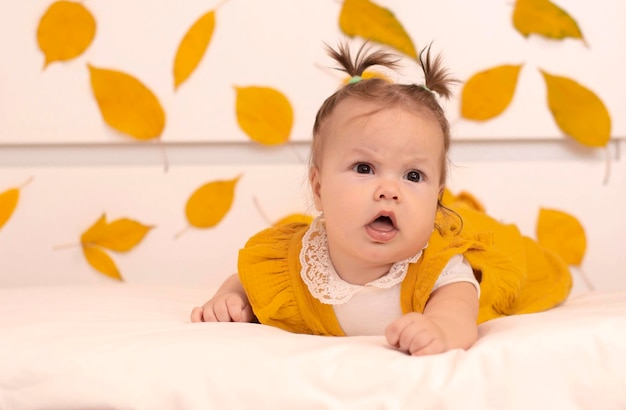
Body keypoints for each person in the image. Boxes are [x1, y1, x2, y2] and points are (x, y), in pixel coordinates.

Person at [191, 41, 572, 356]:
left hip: (464, 239)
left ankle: (461, 212)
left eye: (412, 176)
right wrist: (229, 297)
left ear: (436, 197)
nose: (390, 190)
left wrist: (438, 328)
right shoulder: (294, 260)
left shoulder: (442, 268)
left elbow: (458, 318)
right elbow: (249, 277)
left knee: (525, 264)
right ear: (319, 188)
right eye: (364, 168)